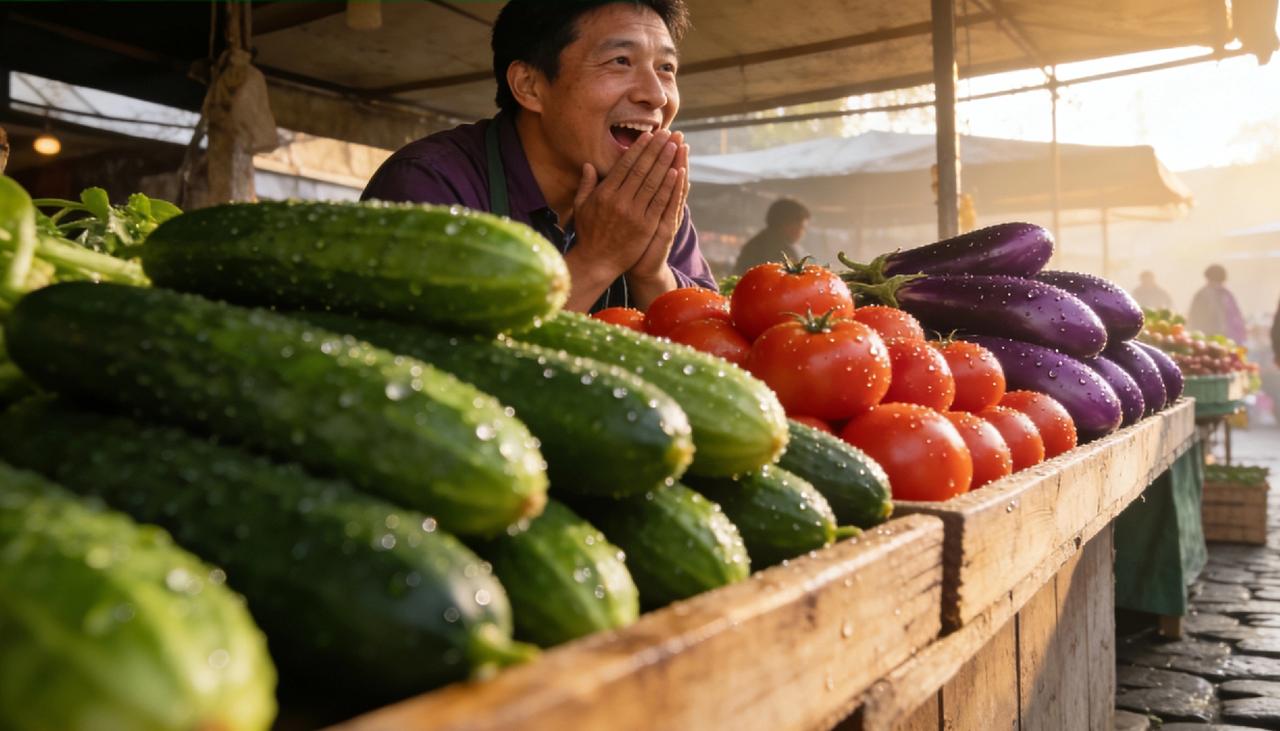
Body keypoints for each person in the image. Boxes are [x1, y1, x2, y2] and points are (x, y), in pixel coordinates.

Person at [361, 0, 714, 313]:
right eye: (620, 61)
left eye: (666, 68)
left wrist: (653, 275)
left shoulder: (648, 195)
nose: (656, 95)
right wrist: (597, 259)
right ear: (529, 86)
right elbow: (438, 366)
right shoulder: (429, 185)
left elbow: (716, 357)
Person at [733, 197, 810, 275]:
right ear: (785, 224)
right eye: (801, 227)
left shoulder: (756, 243)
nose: (803, 232)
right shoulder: (780, 250)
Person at [1188, 264, 1247, 344]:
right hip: (1210, 339)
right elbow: (1195, 319)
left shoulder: (1226, 294)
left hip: (1224, 340)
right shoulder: (1204, 295)